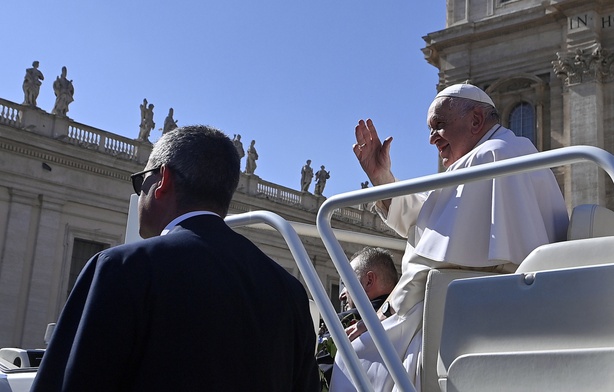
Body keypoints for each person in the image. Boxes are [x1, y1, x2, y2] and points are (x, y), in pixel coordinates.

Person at [31, 125, 320, 392]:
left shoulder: (122, 269)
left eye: (140, 182)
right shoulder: (289, 292)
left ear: (163, 180)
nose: (139, 193)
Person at [330, 84, 569, 391]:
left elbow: (425, 266)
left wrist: (383, 316)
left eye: (438, 126)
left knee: (354, 356)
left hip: (478, 319)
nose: (432, 139)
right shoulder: (506, 152)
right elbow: (428, 217)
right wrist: (381, 178)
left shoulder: (489, 157)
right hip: (512, 311)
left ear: (476, 120)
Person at [318, 247, 399, 390]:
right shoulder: (414, 321)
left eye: (346, 282)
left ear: (369, 280)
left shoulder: (344, 325)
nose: (341, 295)